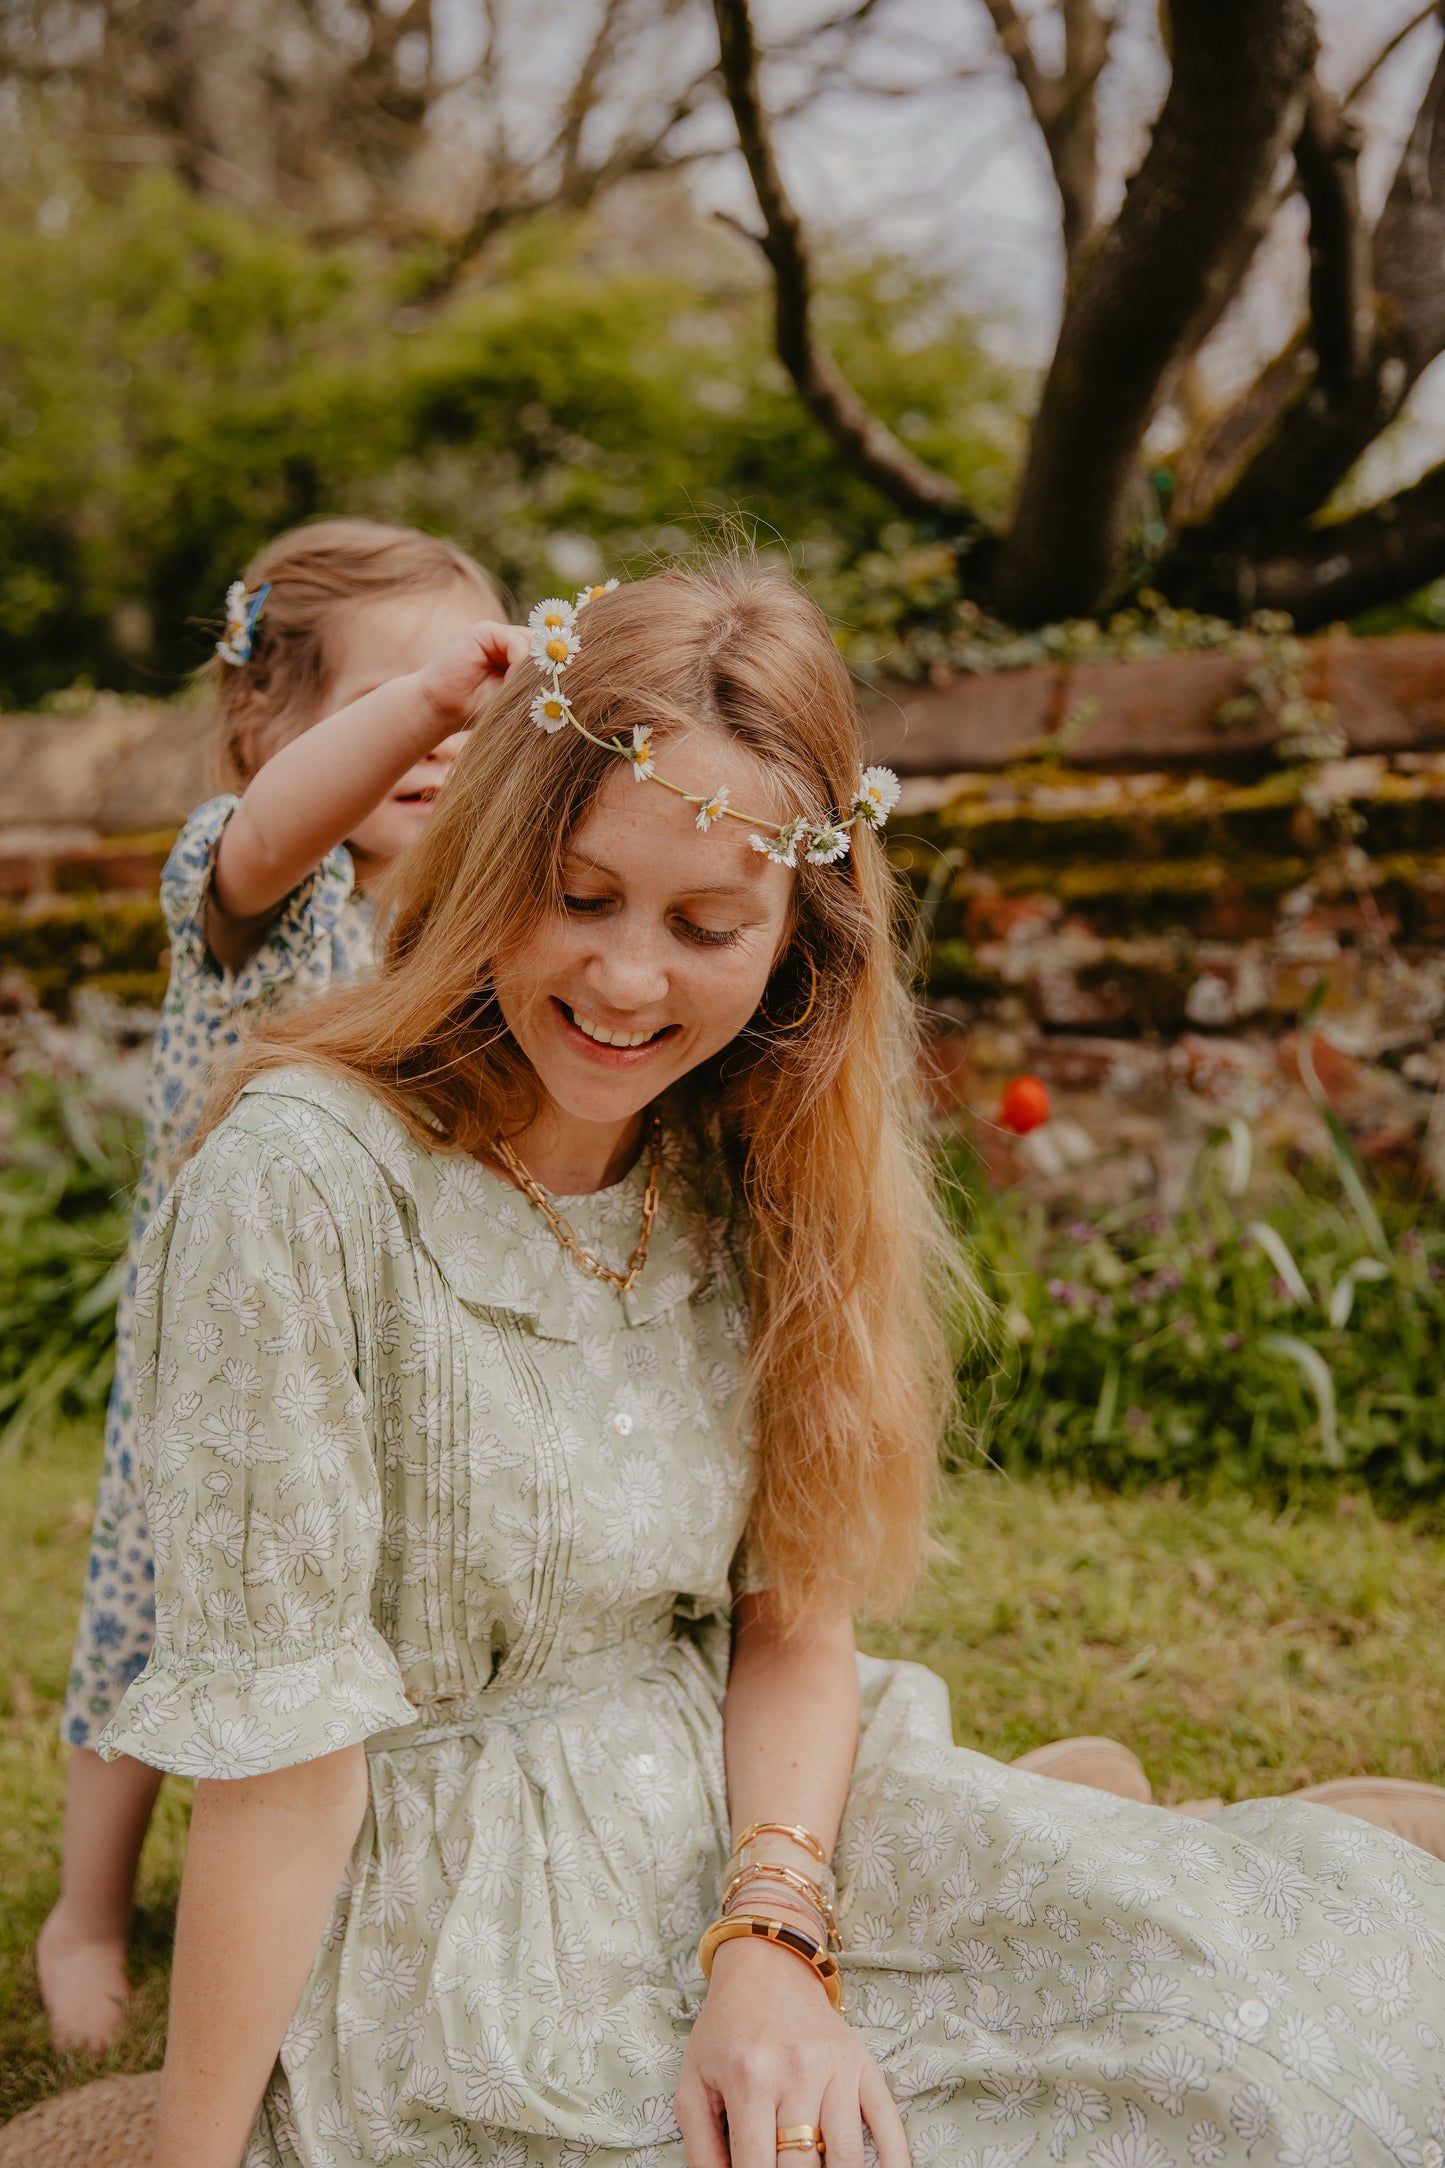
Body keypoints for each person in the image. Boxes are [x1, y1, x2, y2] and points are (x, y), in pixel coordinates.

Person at [100, 564, 1445, 2166]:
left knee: (1274, 2042)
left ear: (799, 936)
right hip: (457, 1906)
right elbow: (286, 1774)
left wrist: (770, 1948)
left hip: (756, 1808)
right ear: (487, 862)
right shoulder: (302, 1183)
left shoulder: (751, 1155)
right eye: (580, 896)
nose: (624, 980)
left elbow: (792, 1618)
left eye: (706, 924)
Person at [40, 517, 528, 2053]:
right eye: (394, 704)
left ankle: (347, 1876)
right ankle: (90, 1908)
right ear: (266, 725)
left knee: (353, 1625)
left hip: (384, 1343)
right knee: (154, 1621)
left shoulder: (470, 922)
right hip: (220, 1349)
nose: (442, 738)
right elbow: (274, 829)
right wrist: (438, 693)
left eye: (468, 709)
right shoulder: (252, 882)